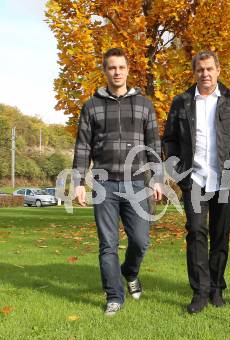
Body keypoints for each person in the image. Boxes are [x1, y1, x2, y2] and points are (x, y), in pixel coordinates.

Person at [163, 51, 230, 314]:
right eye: (200, 70)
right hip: (193, 178)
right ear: (194, 73)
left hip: (224, 177)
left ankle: (216, 287)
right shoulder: (181, 101)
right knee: (195, 231)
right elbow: (169, 138)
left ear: (218, 70)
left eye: (209, 69)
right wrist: (174, 166)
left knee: (220, 234)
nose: (204, 74)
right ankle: (200, 291)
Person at [73, 48, 163, 316]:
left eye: (121, 67)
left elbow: (153, 145)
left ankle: (130, 272)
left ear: (127, 70)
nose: (117, 72)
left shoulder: (144, 105)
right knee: (107, 244)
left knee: (141, 241)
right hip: (104, 185)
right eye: (112, 68)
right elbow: (82, 148)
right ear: (105, 71)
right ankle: (114, 295)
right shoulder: (92, 106)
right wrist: (78, 182)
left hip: (137, 184)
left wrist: (158, 178)